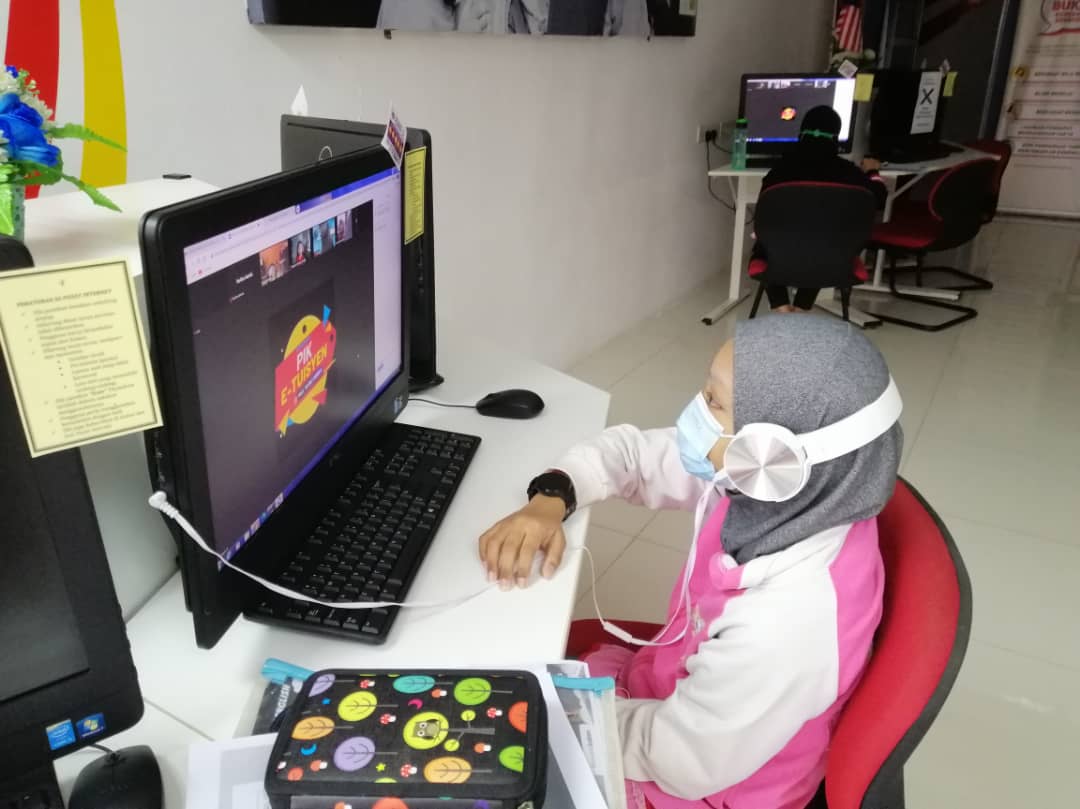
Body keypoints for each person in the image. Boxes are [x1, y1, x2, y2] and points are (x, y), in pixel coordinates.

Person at [478, 315, 902, 809]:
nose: (696, 411)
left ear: (774, 456)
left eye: (715, 402)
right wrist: (554, 495)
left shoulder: (791, 623)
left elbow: (681, 761)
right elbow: (635, 455)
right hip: (676, 701)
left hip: (701, 782)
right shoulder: (782, 490)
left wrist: (544, 714)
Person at [754, 105, 888, 313]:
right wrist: (872, 172)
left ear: (801, 134)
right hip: (833, 262)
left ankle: (781, 306)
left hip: (779, 260)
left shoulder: (779, 171)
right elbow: (879, 199)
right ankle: (801, 307)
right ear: (835, 138)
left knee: (769, 240)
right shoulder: (849, 173)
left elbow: (763, 219)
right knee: (825, 234)